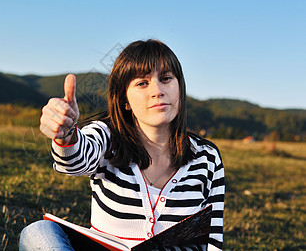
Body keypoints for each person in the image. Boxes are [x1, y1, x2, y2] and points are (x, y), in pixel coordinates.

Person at [19, 39, 225, 250]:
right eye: (142, 83)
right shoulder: (106, 136)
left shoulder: (206, 156)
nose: (157, 90)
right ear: (125, 99)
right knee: (38, 232)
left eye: (166, 79)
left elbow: (213, 240)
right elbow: (74, 160)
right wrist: (67, 134)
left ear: (179, 87)